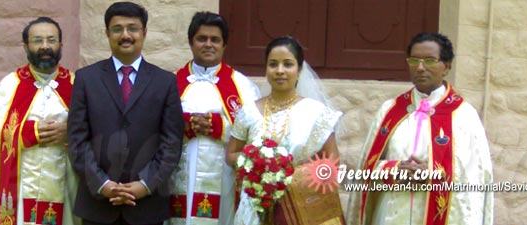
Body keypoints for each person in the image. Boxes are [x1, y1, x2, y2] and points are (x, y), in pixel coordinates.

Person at [346, 33, 493, 225]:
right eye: (414, 60)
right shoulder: (390, 111)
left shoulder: (464, 115)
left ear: (446, 66)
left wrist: (433, 173)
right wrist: (394, 170)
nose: (420, 67)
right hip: (392, 212)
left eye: (430, 61)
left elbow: (477, 176)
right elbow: (367, 168)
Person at [67, 2, 184, 225]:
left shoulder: (165, 81)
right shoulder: (86, 79)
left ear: (144, 33)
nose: (125, 35)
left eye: (133, 28)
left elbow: (171, 142)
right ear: (107, 33)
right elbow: (77, 140)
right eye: (117, 28)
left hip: (147, 206)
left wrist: (146, 184)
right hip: (98, 205)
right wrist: (103, 184)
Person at [0, 17, 80, 225]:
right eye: (37, 40)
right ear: (26, 46)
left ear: (61, 45)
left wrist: (69, 132)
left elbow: (94, 130)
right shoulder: (10, 85)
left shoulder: (77, 85)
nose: (45, 46)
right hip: (19, 186)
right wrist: (31, 132)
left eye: (51, 40)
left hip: (64, 183)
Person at [225, 36, 345, 225]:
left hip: (300, 208)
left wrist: (288, 175)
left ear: (299, 70)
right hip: (255, 207)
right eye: (273, 64)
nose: (280, 71)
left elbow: (332, 163)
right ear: (266, 69)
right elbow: (231, 154)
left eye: (287, 64)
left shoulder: (317, 112)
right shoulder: (249, 111)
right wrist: (258, 165)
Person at [169, 11, 261, 225]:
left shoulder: (243, 86)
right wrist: (185, 124)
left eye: (215, 40)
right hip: (179, 173)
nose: (208, 44)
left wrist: (219, 126)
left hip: (224, 177)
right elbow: (153, 124)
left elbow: (255, 133)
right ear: (191, 42)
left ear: (224, 45)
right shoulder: (170, 82)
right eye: (202, 39)